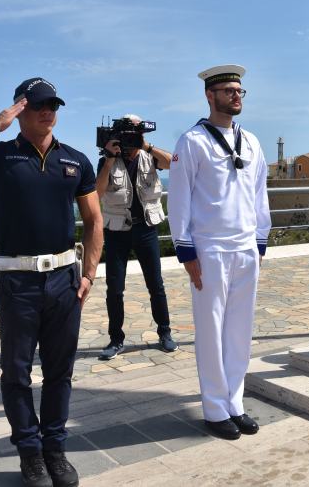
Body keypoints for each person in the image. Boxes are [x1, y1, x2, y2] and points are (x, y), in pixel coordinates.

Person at [0, 78, 103, 487]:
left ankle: (55, 450)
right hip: (17, 282)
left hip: (64, 278)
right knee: (16, 372)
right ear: (20, 109)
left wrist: (90, 274)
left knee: (60, 371)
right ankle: (30, 453)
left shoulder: (76, 160)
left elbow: (95, 221)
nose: (47, 111)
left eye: (53, 105)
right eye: (38, 105)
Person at [167, 64, 271, 441]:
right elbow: (178, 200)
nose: (236, 95)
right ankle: (214, 408)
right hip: (209, 250)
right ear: (210, 95)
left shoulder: (254, 142)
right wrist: (186, 251)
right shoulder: (192, 142)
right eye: (228, 90)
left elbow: (260, 195)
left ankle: (235, 402)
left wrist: (261, 240)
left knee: (240, 331)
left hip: (245, 248)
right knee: (211, 331)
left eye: (240, 90)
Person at [96, 114, 177, 360]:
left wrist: (147, 146)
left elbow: (173, 163)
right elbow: (96, 192)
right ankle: (115, 339)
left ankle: (165, 333)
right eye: (126, 136)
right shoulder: (106, 161)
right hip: (116, 231)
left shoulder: (149, 156)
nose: (129, 142)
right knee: (115, 290)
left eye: (135, 136)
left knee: (156, 285)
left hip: (146, 229)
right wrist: (110, 160)